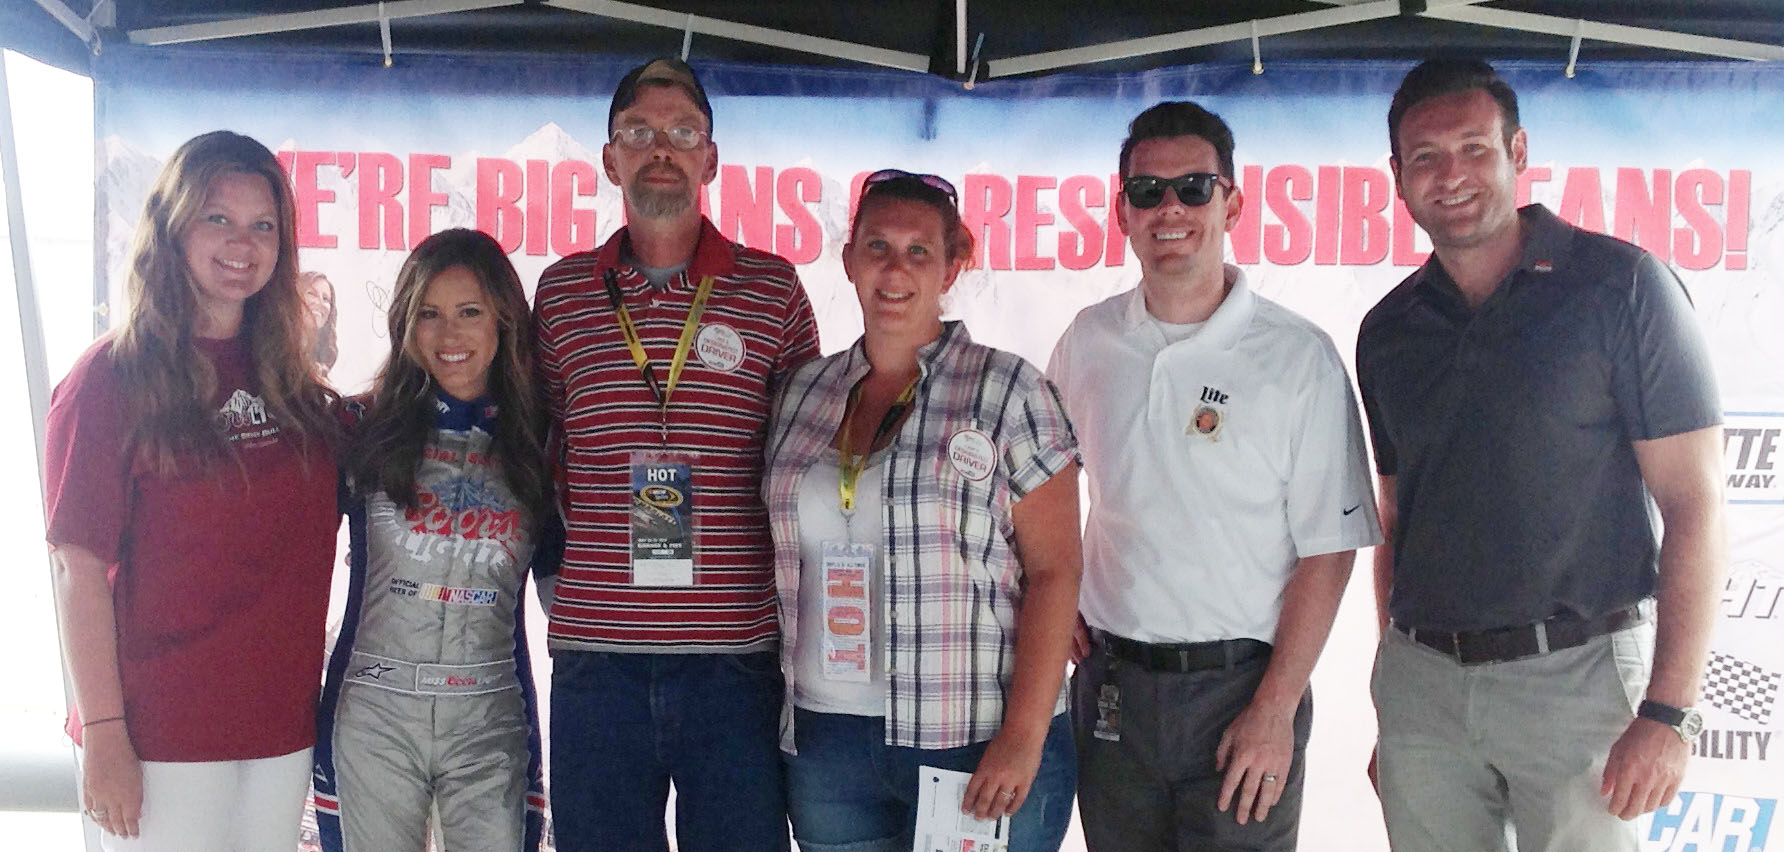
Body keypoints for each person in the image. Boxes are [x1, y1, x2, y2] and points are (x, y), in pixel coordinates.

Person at [1358, 59, 1726, 851]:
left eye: (1474, 148)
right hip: (1423, 686)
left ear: (1517, 152)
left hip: (1579, 679)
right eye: (1425, 157)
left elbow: (1695, 503)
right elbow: (1396, 519)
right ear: (1398, 176)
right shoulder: (1388, 331)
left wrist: (1669, 713)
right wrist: (1395, 702)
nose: (1451, 176)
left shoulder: (1622, 288)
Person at [1047, 102, 1380, 852]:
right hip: (1112, 688)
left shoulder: (1297, 357)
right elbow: (1037, 484)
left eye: (1194, 188)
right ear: (1122, 212)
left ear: (1232, 204)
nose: (1170, 209)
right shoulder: (1089, 340)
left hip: (1243, 691)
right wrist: (1052, 589)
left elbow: (1330, 549)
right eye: (1147, 191)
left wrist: (1276, 708)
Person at [532, 57, 820, 852]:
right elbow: (537, 450)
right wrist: (555, 577)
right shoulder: (560, 293)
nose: (662, 148)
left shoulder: (773, 290)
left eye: (684, 132)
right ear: (609, 158)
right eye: (639, 131)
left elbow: (806, 461)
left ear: (711, 159)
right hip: (597, 660)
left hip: (734, 661)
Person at [763, 169, 1082, 852]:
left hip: (972, 739)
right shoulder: (802, 392)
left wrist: (1024, 735)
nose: (895, 269)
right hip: (827, 743)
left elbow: (1057, 571)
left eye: (919, 251)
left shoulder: (1009, 390)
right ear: (849, 260)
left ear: (951, 267)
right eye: (877, 246)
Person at [42, 130, 340, 850]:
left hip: (279, 729)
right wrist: (104, 732)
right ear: (172, 227)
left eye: (263, 225)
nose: (242, 244)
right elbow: (77, 569)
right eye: (218, 218)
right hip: (159, 735)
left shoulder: (295, 388)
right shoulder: (109, 378)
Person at [311, 228, 554, 851]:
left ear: (504, 320)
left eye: (469, 312)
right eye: (429, 314)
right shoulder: (359, 427)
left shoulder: (541, 442)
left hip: (490, 715)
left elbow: (567, 595)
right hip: (375, 711)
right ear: (405, 324)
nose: (450, 335)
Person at [299, 270, 339, 377]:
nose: (320, 302)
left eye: (326, 299)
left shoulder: (321, 362)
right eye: (312, 294)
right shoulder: (277, 350)